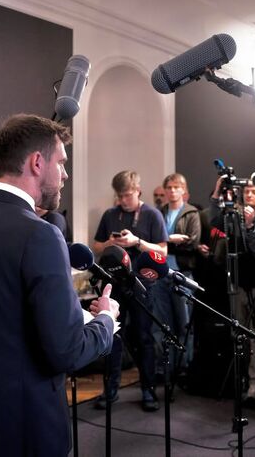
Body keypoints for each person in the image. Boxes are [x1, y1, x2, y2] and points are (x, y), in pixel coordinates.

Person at [0, 114, 118, 457]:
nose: (65, 174)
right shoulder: (41, 235)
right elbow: (68, 351)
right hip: (23, 430)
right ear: (37, 162)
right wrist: (106, 320)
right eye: (61, 163)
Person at [92, 170, 168, 411]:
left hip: (142, 285)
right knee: (112, 336)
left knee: (144, 338)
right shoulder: (110, 214)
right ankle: (110, 389)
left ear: (138, 191)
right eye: (119, 196)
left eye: (126, 195)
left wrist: (137, 242)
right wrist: (110, 243)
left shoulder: (152, 215)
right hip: (114, 284)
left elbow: (163, 251)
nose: (122, 200)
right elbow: (96, 246)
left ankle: (148, 390)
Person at [209, 177, 255, 400]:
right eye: (246, 191)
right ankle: (241, 377)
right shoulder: (234, 217)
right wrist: (218, 192)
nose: (249, 195)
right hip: (238, 285)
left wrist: (249, 226)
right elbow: (214, 222)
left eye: (254, 192)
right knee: (238, 334)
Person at [151, 173, 201, 377]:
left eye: (176, 187)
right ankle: (167, 367)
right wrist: (171, 239)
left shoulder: (191, 213)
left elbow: (192, 243)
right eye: (169, 187)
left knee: (185, 324)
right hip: (162, 273)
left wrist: (164, 243)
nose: (172, 191)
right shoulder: (159, 212)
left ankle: (184, 367)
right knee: (164, 324)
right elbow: (153, 240)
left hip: (182, 274)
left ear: (183, 190)